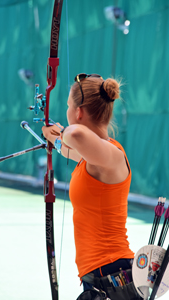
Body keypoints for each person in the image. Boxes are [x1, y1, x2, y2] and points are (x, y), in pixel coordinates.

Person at [42, 73, 135, 292]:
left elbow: (74, 136)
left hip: (112, 271)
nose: (66, 112)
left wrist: (61, 133)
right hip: (101, 273)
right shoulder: (95, 158)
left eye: (68, 106)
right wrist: (53, 138)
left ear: (78, 112)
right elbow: (70, 149)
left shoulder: (111, 154)